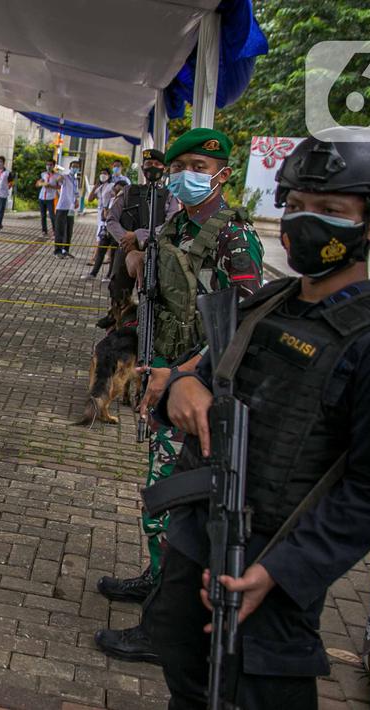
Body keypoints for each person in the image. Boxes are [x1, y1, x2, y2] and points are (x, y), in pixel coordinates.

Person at [147, 127, 370, 708]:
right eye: (295, 206)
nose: (304, 221)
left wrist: (283, 572)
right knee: (182, 662)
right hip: (202, 531)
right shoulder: (268, 303)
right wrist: (183, 387)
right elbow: (199, 371)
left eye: (329, 210)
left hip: (271, 562)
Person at [95, 128, 264, 664]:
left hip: (200, 389)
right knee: (164, 501)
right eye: (178, 166)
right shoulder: (174, 225)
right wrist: (137, 263)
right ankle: (157, 579)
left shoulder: (234, 237)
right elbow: (160, 289)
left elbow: (242, 324)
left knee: (168, 503)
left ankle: (162, 628)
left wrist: (184, 373)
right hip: (167, 377)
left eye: (197, 164)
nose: (185, 175)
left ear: (222, 173)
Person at [100, 149, 173, 328]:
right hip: (125, 251)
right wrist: (126, 239)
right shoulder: (128, 191)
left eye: (157, 165)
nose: (153, 168)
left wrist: (138, 235)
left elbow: (170, 225)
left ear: (164, 168)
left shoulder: (170, 195)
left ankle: (144, 334)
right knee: (118, 294)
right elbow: (111, 219)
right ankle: (115, 334)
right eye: (149, 165)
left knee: (150, 298)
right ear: (142, 168)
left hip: (155, 253)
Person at [84, 168, 117, 279]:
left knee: (106, 243)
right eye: (101, 173)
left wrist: (108, 210)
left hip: (110, 216)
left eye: (105, 173)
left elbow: (115, 198)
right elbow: (90, 199)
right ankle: (94, 270)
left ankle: (107, 272)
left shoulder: (112, 186)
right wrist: (95, 187)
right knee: (101, 240)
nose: (103, 175)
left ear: (109, 175)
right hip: (101, 215)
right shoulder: (100, 187)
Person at [52, 160, 81, 257]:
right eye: (73, 166)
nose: (75, 168)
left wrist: (77, 200)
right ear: (70, 167)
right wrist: (58, 177)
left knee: (69, 229)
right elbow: (58, 182)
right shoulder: (65, 177)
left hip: (71, 208)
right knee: (60, 229)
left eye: (77, 167)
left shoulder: (76, 180)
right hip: (62, 207)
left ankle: (65, 250)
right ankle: (57, 251)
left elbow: (76, 192)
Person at [36, 159, 58, 235]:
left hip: (50, 198)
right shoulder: (43, 174)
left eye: (50, 165)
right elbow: (38, 183)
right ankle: (44, 230)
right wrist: (40, 183)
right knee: (43, 216)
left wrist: (51, 186)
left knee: (52, 215)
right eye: (47, 164)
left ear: (53, 166)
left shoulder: (57, 175)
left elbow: (59, 187)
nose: (48, 166)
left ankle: (55, 230)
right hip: (42, 197)